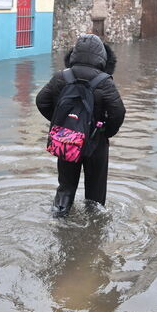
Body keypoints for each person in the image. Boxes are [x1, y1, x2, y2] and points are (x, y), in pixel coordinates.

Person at [36, 34, 126, 217]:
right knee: (96, 191)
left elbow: (41, 101)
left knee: (66, 185)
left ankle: (59, 219)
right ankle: (93, 227)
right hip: (96, 143)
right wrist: (105, 132)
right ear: (102, 56)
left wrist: (62, 124)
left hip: (67, 140)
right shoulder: (104, 81)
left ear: (74, 53)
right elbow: (118, 112)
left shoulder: (62, 76)